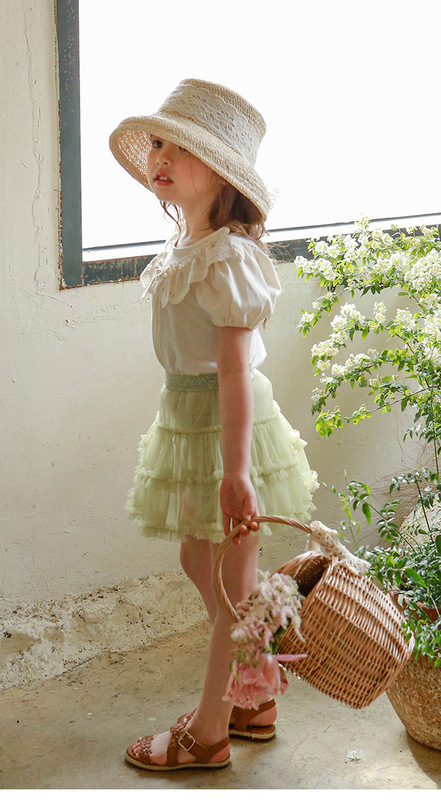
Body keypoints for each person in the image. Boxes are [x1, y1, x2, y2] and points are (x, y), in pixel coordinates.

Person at [108, 79, 318, 771]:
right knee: (200, 562)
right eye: (158, 144)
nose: (161, 157)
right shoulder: (187, 246)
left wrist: (236, 473)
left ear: (222, 174)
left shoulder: (228, 256)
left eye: (181, 148)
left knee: (230, 578)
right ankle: (254, 695)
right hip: (188, 417)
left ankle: (209, 731)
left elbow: (232, 373)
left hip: (230, 428)